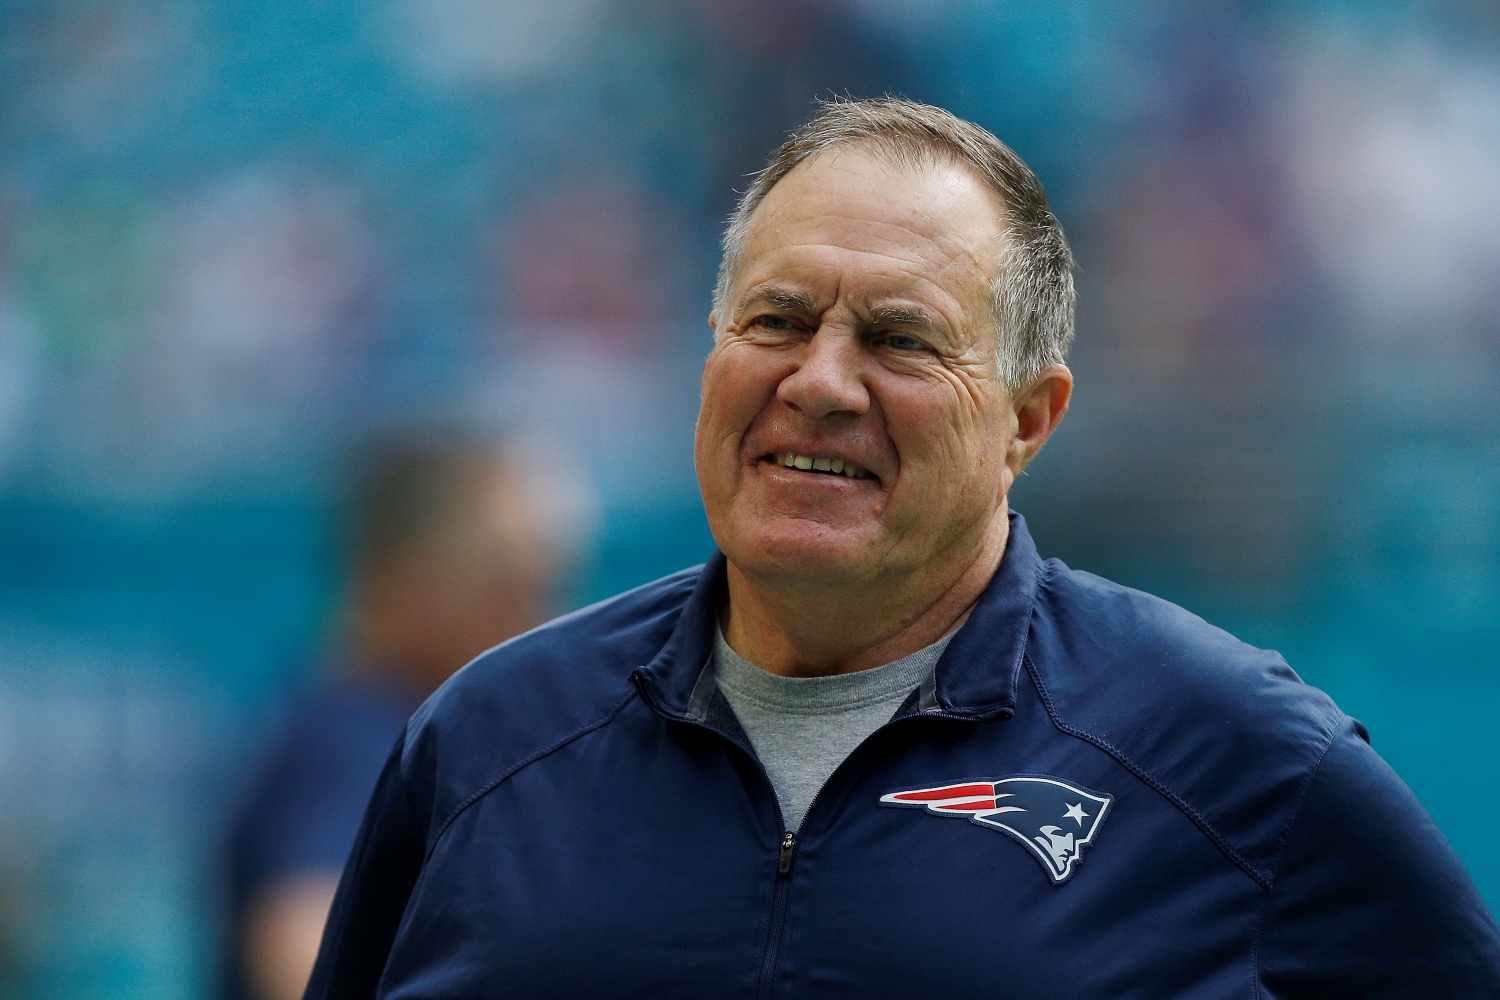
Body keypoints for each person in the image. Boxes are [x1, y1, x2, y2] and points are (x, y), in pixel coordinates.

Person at [306, 99, 1500, 998]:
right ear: (712, 349)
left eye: (900, 338)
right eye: (775, 320)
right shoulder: (487, 742)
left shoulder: (1237, 763)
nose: (819, 381)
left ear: (1029, 420)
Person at [226, 433, 586, 1000]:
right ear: (412, 585)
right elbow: (299, 954)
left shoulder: (379, 733)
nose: (543, 619)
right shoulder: (349, 745)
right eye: (514, 587)